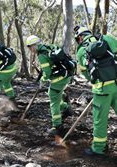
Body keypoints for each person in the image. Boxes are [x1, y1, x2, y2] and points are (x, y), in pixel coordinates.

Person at [74, 26, 117, 156]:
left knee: (99, 119)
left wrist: (94, 81)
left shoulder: (82, 50)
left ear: (80, 37)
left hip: (102, 89)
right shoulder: (108, 39)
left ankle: (98, 149)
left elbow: (85, 72)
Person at [26, 35, 73, 136]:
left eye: (30, 47)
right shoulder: (48, 47)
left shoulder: (41, 55)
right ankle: (65, 107)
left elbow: (47, 72)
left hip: (60, 78)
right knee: (52, 93)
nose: (30, 50)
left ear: (34, 46)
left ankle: (57, 126)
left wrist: (42, 80)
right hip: (66, 74)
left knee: (53, 101)